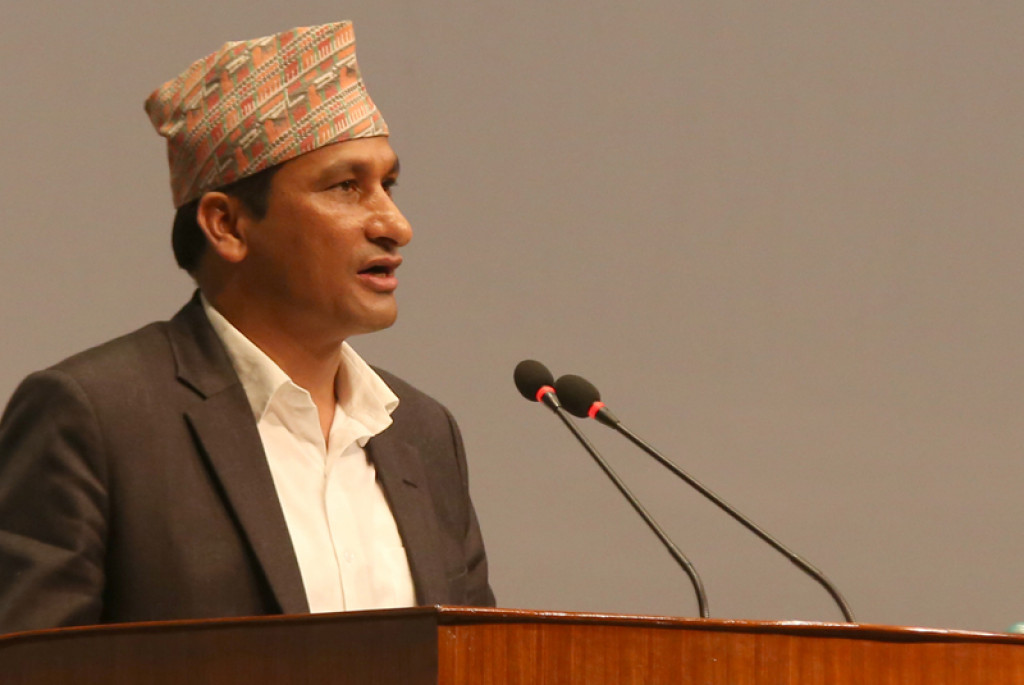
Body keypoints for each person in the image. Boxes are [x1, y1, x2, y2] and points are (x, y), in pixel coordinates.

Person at [0, 21, 494, 635]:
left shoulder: (421, 432)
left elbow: (480, 659)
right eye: (346, 186)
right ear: (227, 225)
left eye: (387, 185)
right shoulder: (96, 418)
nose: (395, 225)